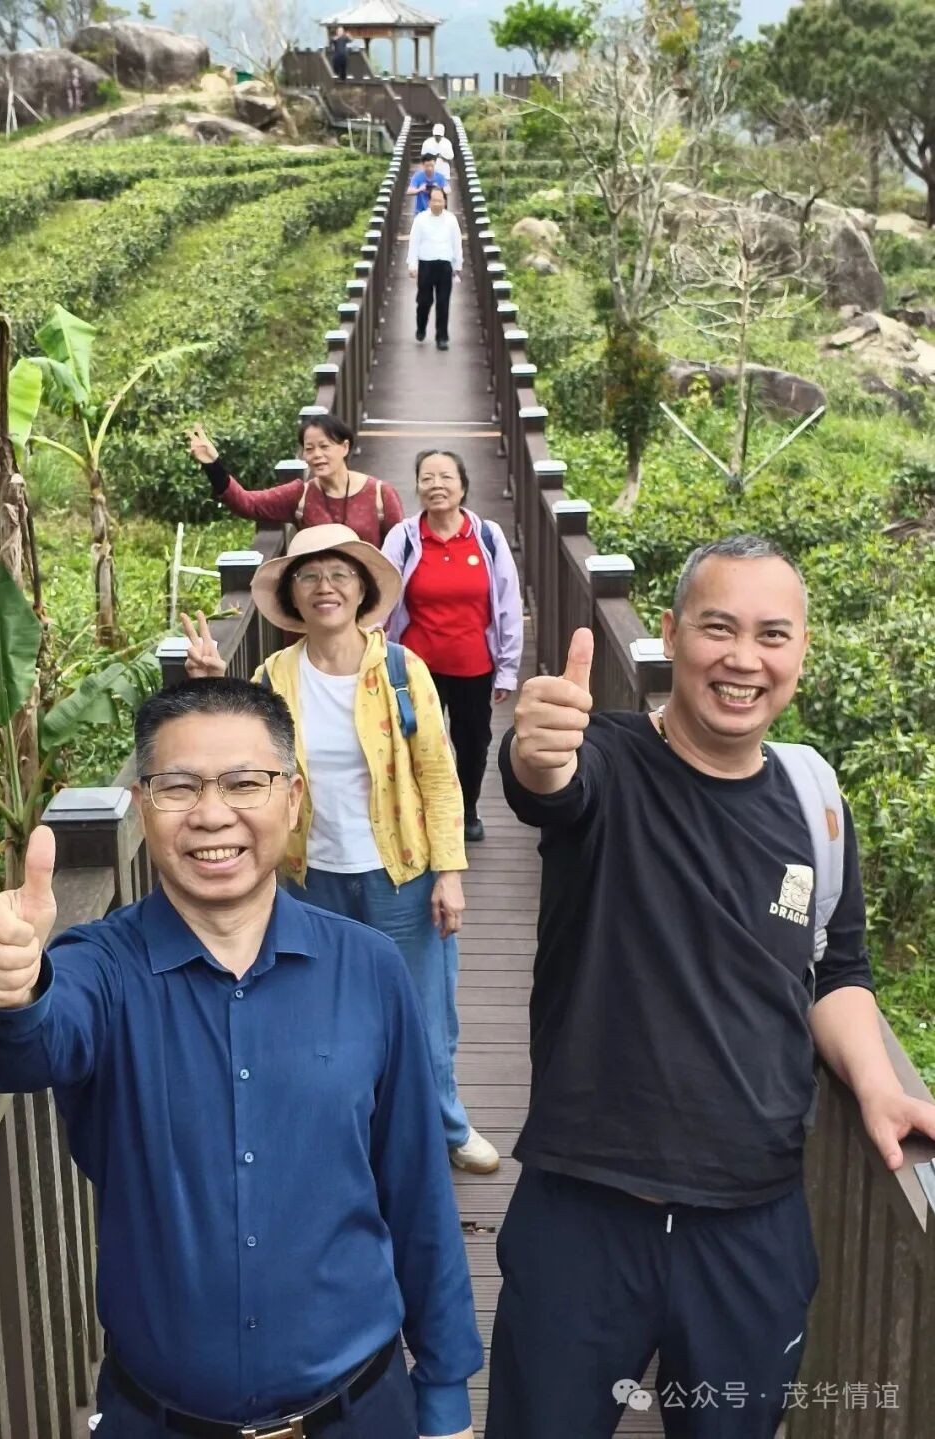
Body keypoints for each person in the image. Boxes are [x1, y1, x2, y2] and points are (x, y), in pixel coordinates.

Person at [486, 534, 935, 1439]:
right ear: (671, 633)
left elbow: (835, 973)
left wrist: (882, 1085)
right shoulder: (608, 763)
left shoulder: (814, 802)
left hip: (752, 1223)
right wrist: (534, 750)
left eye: (773, 635)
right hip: (585, 1212)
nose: (743, 659)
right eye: (717, 627)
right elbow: (548, 787)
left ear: (802, 650)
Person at [0, 678, 481, 1439]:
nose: (212, 813)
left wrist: (445, 1398)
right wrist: (11, 986)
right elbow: (32, 1043)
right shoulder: (100, 966)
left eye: (245, 782)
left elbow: (419, 1191)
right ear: (143, 803)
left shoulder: (368, 969)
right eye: (178, 786)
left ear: (293, 798)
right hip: (157, 1418)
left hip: (361, 1411)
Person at [181, 523, 501, 1176]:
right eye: (310, 576)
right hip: (311, 874)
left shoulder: (401, 669)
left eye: (339, 575)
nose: (325, 588)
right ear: (294, 595)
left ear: (362, 590)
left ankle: (445, 1123)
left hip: (401, 872)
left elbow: (439, 775)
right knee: (324, 1009)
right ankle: (348, 1129)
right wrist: (216, 686)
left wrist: (450, 872)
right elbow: (244, 758)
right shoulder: (275, 676)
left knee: (422, 1009)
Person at [383, 449, 523, 843]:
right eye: (427, 478)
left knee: (473, 741)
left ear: (463, 486)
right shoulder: (405, 537)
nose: (436, 486)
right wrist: (368, 643)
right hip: (414, 664)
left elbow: (510, 603)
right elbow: (382, 593)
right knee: (415, 738)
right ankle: (417, 810)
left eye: (445, 477)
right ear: (417, 487)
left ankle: (467, 810)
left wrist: (508, 667)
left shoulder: (488, 537)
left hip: (473, 664)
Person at [188, 412, 403, 547]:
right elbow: (246, 503)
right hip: (322, 604)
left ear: (345, 447)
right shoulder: (300, 495)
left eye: (325, 446)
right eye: (309, 449)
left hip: (373, 606)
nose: (317, 454)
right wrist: (212, 464)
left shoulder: (380, 495)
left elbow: (402, 553)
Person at [408, 186, 463, 352]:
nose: (437, 203)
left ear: (445, 202)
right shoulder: (421, 219)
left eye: (440, 200)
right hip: (426, 263)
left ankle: (442, 337)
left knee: (443, 302)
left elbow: (457, 243)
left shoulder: (451, 220)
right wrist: (412, 264)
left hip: (444, 264)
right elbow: (414, 243)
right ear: (429, 201)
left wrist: (457, 265)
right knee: (424, 301)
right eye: (434, 200)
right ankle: (421, 326)